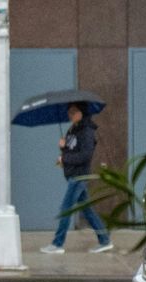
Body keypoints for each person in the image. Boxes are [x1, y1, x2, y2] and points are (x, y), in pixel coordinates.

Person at [40, 102, 114, 254]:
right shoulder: (73, 129)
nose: (70, 115)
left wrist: (64, 159)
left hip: (79, 176)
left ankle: (57, 244)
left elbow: (85, 155)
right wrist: (63, 147)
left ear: (82, 112)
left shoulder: (87, 131)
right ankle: (105, 239)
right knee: (87, 210)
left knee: (66, 209)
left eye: (73, 112)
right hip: (73, 174)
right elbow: (72, 150)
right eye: (69, 112)